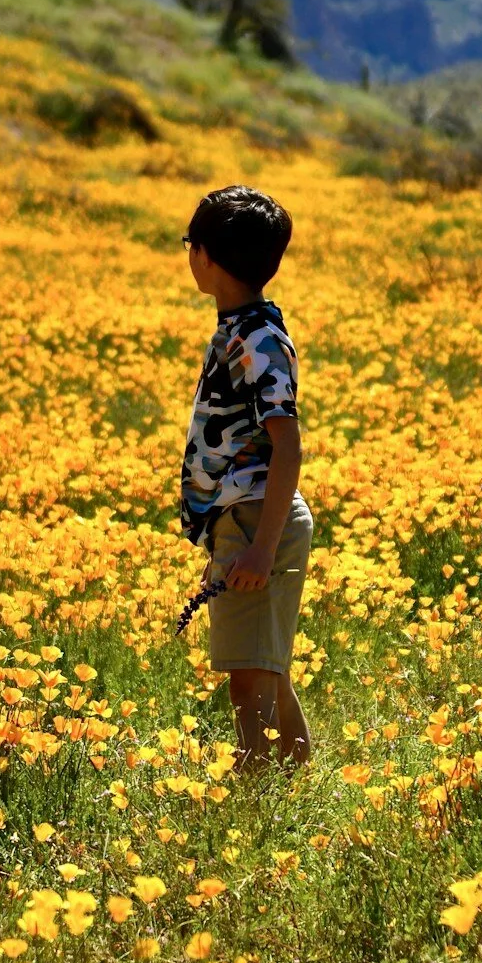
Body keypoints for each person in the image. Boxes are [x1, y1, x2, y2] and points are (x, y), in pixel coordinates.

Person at [179, 185, 312, 768]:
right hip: (246, 518)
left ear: (206, 256)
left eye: (190, 243)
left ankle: (254, 798)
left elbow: (288, 446)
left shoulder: (258, 339)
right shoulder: (244, 327)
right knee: (266, 670)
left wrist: (260, 548)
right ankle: (296, 782)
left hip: (260, 518)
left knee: (249, 681)